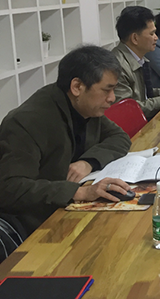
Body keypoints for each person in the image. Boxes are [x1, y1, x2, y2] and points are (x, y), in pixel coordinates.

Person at [0, 46, 132, 236]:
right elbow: (10, 188)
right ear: (77, 87)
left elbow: (120, 137)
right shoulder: (26, 122)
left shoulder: (85, 107)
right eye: (107, 90)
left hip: (71, 212)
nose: (112, 98)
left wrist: (88, 162)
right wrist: (78, 192)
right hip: (39, 226)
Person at [112, 6, 160, 119]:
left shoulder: (139, 59)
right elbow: (128, 110)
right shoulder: (116, 66)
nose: (156, 38)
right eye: (152, 34)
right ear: (135, 38)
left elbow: (144, 93)